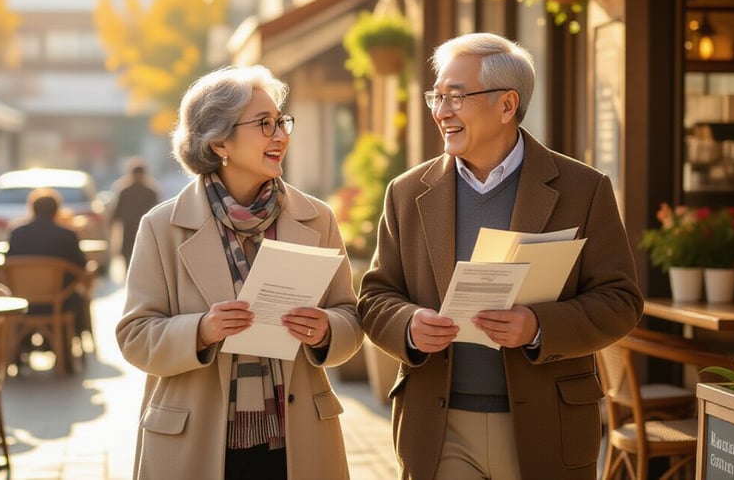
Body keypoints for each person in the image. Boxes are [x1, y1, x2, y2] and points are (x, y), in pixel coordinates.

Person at [357, 33, 644, 480]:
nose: (441, 111)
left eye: (455, 97)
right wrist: (409, 326)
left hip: (547, 425)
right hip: (438, 426)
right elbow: (376, 297)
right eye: (437, 96)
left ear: (507, 106)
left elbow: (621, 301)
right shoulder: (407, 192)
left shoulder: (584, 189)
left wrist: (539, 326)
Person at [116, 65, 363, 480]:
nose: (281, 135)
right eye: (264, 124)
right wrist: (201, 331)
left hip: (295, 442)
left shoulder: (317, 218)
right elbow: (135, 337)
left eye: (281, 122)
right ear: (218, 143)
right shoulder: (162, 227)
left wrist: (325, 330)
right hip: (194, 441)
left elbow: (351, 319)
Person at [7, 188, 92, 349]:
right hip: (59, 300)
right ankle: (67, 348)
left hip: (23, 303)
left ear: (32, 209)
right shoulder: (67, 234)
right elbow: (81, 268)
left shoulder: (17, 233)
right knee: (80, 299)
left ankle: (21, 349)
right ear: (57, 210)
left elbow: (8, 264)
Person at [110, 158, 160, 269]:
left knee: (137, 257)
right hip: (131, 230)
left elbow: (157, 212)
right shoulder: (126, 191)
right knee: (131, 257)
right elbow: (117, 212)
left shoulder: (149, 192)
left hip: (143, 230)